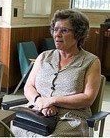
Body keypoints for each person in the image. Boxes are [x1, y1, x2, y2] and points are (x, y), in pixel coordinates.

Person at [12, 9, 101, 137]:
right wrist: (40, 102)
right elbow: (28, 86)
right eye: (55, 29)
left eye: (64, 30)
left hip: (71, 118)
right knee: (8, 128)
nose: (57, 34)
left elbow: (88, 98)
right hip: (37, 113)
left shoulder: (91, 61)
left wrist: (52, 101)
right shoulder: (43, 57)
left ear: (78, 34)